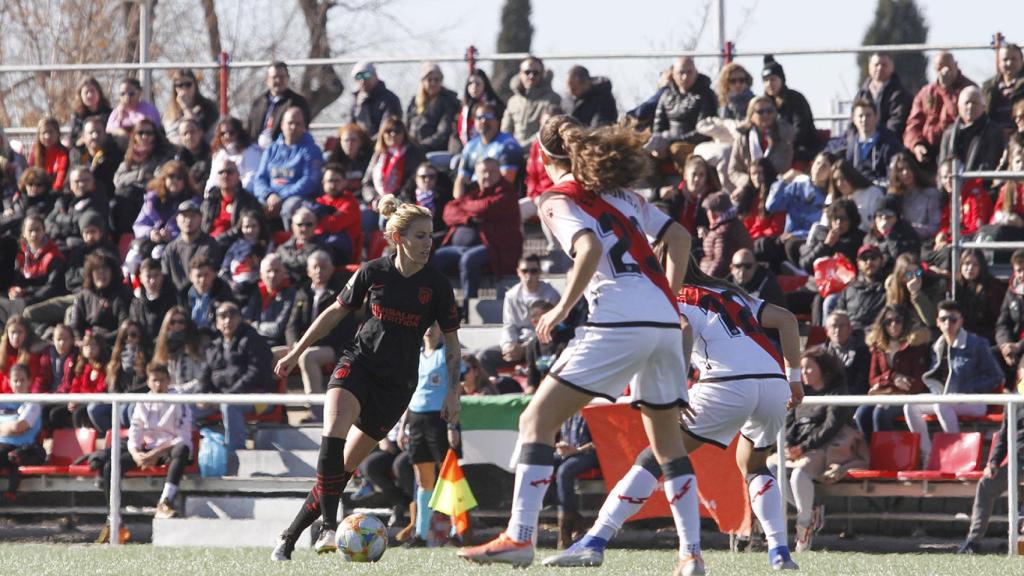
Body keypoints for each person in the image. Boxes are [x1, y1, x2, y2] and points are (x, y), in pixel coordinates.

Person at [457, 116, 701, 573]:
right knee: (668, 444)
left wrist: (561, 307)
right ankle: (690, 555)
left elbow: (587, 248)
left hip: (618, 320)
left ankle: (520, 537)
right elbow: (681, 237)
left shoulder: (556, 199)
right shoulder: (624, 196)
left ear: (544, 159)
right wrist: (669, 298)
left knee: (535, 419)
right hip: (666, 323)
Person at [542, 256, 803, 572]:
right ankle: (779, 553)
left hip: (726, 382)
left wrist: (677, 386)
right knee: (754, 464)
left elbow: (682, 328)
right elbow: (787, 320)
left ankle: (594, 541)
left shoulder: (671, 295)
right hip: (774, 385)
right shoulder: (731, 293)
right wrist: (795, 380)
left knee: (656, 458)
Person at [270, 196, 460, 560]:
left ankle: (289, 536)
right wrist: (296, 352)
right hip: (358, 365)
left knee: (342, 470)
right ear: (399, 238)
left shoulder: (436, 285)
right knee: (332, 435)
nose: (428, 243)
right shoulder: (373, 271)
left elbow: (452, 344)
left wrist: (454, 392)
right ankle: (328, 526)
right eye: (420, 236)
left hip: (398, 385)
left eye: (430, 236)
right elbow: (332, 314)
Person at [772, 347, 864, 552]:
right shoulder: (801, 393)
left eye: (808, 368)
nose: (804, 373)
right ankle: (811, 510)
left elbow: (830, 427)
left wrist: (804, 447)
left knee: (798, 475)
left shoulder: (837, 392)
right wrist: (787, 444)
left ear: (823, 369)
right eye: (801, 369)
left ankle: (803, 527)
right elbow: (790, 422)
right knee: (770, 468)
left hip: (825, 450)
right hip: (799, 449)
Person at [906, 300, 1004, 461]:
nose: (948, 323)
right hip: (945, 398)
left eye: (953, 319)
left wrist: (968, 388)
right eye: (943, 319)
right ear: (937, 322)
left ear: (961, 322)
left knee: (941, 404)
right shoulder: (936, 346)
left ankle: (958, 455)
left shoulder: (977, 343)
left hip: (975, 401)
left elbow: (996, 376)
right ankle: (927, 454)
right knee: (910, 405)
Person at [94, 362, 193, 522]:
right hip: (147, 451)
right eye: (155, 380)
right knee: (110, 466)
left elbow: (183, 437)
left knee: (182, 450)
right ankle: (113, 516)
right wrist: (136, 454)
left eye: (162, 380)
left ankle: (165, 501)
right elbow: (135, 430)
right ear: (148, 382)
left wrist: (157, 452)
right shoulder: (143, 401)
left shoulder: (179, 400)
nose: (159, 385)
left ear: (169, 380)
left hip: (168, 449)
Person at [394, 323, 461, 547]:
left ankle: (457, 530)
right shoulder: (416, 356)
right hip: (416, 419)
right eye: (426, 325)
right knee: (424, 479)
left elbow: (455, 390)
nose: (429, 329)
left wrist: (452, 426)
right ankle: (421, 534)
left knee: (447, 475)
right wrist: (403, 427)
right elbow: (408, 392)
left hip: (439, 418)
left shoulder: (446, 355)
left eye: (434, 325)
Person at [435, 157, 523, 307]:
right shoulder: (474, 191)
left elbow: (485, 207)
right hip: (460, 247)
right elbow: (448, 212)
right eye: (483, 172)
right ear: (476, 173)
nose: (487, 175)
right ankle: (444, 306)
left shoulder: (507, 191)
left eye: (492, 171)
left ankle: (468, 308)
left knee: (469, 259)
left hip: (494, 247)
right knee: (436, 258)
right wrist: (469, 219)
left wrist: (463, 204)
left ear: (500, 173)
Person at [286, 251, 356, 424]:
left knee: (308, 357)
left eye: (323, 267)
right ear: (308, 271)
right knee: (272, 355)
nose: (319, 271)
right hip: (303, 345)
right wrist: (294, 343)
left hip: (335, 347)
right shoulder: (303, 292)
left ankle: (316, 414)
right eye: (314, 267)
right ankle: (273, 410)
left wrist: (305, 344)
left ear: (332, 269)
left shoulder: (340, 292)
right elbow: (291, 325)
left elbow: (342, 329)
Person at [194, 300, 273, 451]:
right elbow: (204, 375)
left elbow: (255, 373)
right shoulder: (215, 345)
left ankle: (235, 452)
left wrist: (228, 396)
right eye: (223, 316)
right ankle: (192, 453)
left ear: (240, 319)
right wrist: (201, 396)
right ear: (217, 322)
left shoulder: (253, 340)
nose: (228, 320)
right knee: (187, 406)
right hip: (222, 398)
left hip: (259, 398)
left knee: (229, 405)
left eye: (233, 315)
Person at [957, 403, 1024, 554]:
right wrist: (993, 463)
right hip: (1017, 463)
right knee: (986, 485)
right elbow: (1004, 435)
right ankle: (973, 542)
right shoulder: (1015, 403)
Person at [856, 304, 930, 441]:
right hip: (884, 395)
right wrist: (893, 377)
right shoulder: (878, 346)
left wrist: (889, 384)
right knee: (861, 414)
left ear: (905, 322)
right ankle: (870, 451)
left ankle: (884, 453)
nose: (893, 325)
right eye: (888, 322)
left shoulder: (915, 346)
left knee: (880, 414)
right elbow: (872, 379)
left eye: (898, 321)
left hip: (907, 397)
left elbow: (918, 384)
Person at [254, 106, 323, 228]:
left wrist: (281, 197)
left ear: (304, 126)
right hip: (271, 197)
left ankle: (292, 244)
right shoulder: (271, 150)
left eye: (298, 123)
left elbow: (310, 182)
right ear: (282, 125)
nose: (293, 127)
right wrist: (269, 195)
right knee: (251, 211)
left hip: (297, 198)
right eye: (290, 123)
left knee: (289, 209)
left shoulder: (311, 151)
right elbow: (260, 178)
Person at [904, 51, 976, 168]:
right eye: (939, 69)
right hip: (928, 148)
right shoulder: (926, 92)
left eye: (947, 68)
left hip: (954, 147)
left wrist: (946, 90)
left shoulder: (968, 90)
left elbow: (957, 117)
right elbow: (913, 123)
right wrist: (916, 144)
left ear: (956, 65)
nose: (943, 72)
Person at [497, 255, 561, 367]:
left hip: (542, 346)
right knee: (484, 357)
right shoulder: (511, 295)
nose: (529, 275)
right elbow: (509, 325)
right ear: (518, 272)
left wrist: (526, 347)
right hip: (516, 345)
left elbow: (551, 329)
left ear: (540, 272)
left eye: (534, 271)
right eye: (524, 271)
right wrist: (508, 346)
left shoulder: (551, 295)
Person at [87, 319, 149, 433]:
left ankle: (133, 441)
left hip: (138, 397)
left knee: (126, 409)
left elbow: (148, 384)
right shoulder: (116, 357)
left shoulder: (148, 356)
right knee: (94, 408)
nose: (129, 339)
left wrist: (129, 395)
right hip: (119, 397)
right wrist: (117, 395)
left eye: (133, 335)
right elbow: (111, 384)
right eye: (125, 335)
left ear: (140, 336)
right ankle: (113, 438)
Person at [111, 119, 172, 236]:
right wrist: (141, 175)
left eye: (149, 133)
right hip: (129, 202)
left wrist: (133, 179)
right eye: (140, 133)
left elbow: (158, 177)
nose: (144, 136)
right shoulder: (129, 158)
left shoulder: (162, 156)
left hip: (152, 198)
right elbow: (118, 180)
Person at [1, 215, 65, 323]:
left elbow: (53, 287)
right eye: (30, 230)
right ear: (24, 234)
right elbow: (15, 279)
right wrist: (13, 290)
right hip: (21, 297)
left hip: (42, 298)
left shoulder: (53, 256)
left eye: (38, 229)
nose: (34, 234)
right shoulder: (21, 254)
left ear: (44, 231)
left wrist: (26, 292)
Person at [766, 151, 832, 252]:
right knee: (761, 245)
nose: (819, 168)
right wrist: (783, 180)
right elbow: (771, 206)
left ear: (830, 172)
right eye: (817, 163)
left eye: (824, 166)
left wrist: (797, 235)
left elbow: (822, 227)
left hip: (809, 242)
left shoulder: (829, 196)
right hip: (786, 239)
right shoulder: (798, 186)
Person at [454, 103, 522, 199]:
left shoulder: (508, 145)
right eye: (479, 117)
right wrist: (459, 203)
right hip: (473, 198)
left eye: (489, 116)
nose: (483, 120)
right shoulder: (470, 146)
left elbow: (507, 181)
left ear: (498, 120)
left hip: (497, 199)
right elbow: (461, 180)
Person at [0, 363, 47, 500]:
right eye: (15, 380)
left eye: (22, 380)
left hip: (22, 448)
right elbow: (14, 428)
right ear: (9, 381)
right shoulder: (3, 401)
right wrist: (10, 428)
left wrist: (8, 428)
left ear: (29, 381)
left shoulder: (33, 403)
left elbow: (19, 427)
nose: (19, 384)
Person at [728, 95, 794, 191]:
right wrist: (747, 182)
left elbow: (787, 165)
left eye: (769, 111)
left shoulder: (784, 134)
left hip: (779, 187)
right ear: (751, 115)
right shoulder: (742, 138)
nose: (766, 115)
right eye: (760, 112)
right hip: (751, 186)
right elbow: (733, 170)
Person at [552, 411, 598, 549]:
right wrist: (560, 446)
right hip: (569, 452)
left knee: (563, 472)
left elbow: (604, 440)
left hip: (591, 453)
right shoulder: (567, 405)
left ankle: (565, 531)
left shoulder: (595, 404)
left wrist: (577, 450)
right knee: (542, 464)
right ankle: (576, 519)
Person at [762, 55, 818, 163]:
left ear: (781, 79)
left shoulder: (796, 99)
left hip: (801, 148)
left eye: (773, 79)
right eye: (766, 80)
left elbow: (801, 130)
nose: (769, 84)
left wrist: (786, 147)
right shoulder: (764, 103)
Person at [938, 86, 1007, 175]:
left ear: (983, 106)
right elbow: (942, 165)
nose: (970, 106)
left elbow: (990, 164)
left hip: (980, 185)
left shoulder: (994, 132)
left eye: (974, 103)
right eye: (966, 103)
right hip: (951, 186)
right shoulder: (948, 133)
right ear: (959, 106)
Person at [361, 116, 426, 208]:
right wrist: (373, 198)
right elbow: (366, 183)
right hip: (377, 203)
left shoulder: (414, 153)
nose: (393, 134)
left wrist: (392, 200)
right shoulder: (378, 154)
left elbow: (413, 183)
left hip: (403, 203)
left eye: (397, 131)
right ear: (382, 134)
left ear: (404, 134)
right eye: (388, 131)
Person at [49, 330, 109, 429]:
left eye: (93, 345)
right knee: (55, 413)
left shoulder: (105, 367)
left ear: (100, 347)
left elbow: (100, 390)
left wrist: (81, 400)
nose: (89, 348)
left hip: (94, 402)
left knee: (78, 414)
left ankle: (82, 443)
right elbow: (75, 385)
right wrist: (73, 399)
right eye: (86, 346)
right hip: (80, 400)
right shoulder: (82, 366)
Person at [69, 252, 131, 345]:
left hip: (116, 344)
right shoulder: (83, 296)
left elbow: (125, 327)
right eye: (97, 270)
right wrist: (82, 342)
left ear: (112, 273)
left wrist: (98, 341)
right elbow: (75, 326)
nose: (102, 274)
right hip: (88, 345)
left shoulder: (123, 294)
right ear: (91, 274)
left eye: (105, 270)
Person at [161, 199, 223, 293]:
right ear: (177, 219)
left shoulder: (210, 245)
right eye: (184, 216)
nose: (188, 220)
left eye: (193, 216)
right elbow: (165, 277)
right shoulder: (171, 249)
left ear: (200, 218)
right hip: (177, 300)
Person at [246, 62, 312, 148]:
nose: (278, 80)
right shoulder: (258, 102)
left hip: (283, 150)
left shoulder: (297, 102)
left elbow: (302, 129)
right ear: (267, 79)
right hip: (257, 150)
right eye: (274, 77)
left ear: (287, 78)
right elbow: (250, 128)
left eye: (282, 77)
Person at [841, 99, 902, 185]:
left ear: (876, 118)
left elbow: (892, 175)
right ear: (854, 120)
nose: (864, 119)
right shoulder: (851, 146)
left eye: (868, 115)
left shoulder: (889, 144)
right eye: (860, 116)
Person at [501, 56, 561, 145]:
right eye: (527, 72)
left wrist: (524, 147)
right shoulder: (513, 101)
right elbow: (505, 130)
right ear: (520, 74)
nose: (531, 76)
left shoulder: (553, 99)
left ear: (542, 74)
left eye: (536, 73)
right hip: (513, 151)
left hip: (539, 152)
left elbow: (547, 131)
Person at [46, 168, 110, 250]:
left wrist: (59, 224)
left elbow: (80, 225)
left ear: (93, 182)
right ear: (70, 184)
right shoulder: (62, 201)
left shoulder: (99, 202)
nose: (81, 184)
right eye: (77, 181)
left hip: (83, 248)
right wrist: (55, 231)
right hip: (58, 242)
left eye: (86, 180)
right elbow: (48, 221)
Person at [200, 158, 261, 244]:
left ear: (238, 176)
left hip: (232, 245)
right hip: (207, 245)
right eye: (221, 172)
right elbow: (202, 226)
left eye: (229, 172)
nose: (225, 175)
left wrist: (216, 241)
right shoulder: (209, 200)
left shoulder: (248, 201)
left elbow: (240, 229)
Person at [853, 52, 913, 139]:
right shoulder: (861, 94)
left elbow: (896, 124)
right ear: (869, 67)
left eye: (884, 65)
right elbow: (852, 123)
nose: (880, 68)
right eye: (876, 64)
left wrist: (877, 140)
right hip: (861, 143)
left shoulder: (899, 94)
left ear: (892, 67)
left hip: (889, 145)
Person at [833, 244, 888, 338]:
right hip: (851, 338)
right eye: (864, 258)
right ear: (858, 263)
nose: (869, 262)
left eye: (873, 257)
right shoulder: (849, 289)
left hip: (877, 337)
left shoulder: (888, 287)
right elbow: (838, 316)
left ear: (881, 261)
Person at [241, 253, 295, 347]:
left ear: (284, 273)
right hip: (252, 343)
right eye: (268, 271)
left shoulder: (290, 294)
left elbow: (277, 329)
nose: (272, 275)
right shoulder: (256, 292)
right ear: (261, 274)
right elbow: (245, 323)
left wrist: (255, 325)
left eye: (276, 271)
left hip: (275, 345)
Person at [798, 198, 865, 274]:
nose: (838, 222)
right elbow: (805, 264)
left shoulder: (861, 238)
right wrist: (826, 245)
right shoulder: (822, 234)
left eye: (843, 218)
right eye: (835, 218)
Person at [313, 163, 363, 265]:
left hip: (343, 251)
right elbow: (312, 223)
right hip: (321, 245)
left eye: (337, 181)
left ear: (345, 182)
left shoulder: (351, 202)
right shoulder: (318, 201)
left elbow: (334, 224)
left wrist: (318, 220)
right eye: (330, 181)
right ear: (323, 182)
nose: (333, 185)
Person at [405, 62, 459, 154]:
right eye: (429, 79)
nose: (433, 83)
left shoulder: (448, 101)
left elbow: (443, 133)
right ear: (423, 81)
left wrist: (422, 146)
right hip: (414, 149)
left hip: (436, 151)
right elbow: (407, 127)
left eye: (437, 80)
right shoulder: (415, 102)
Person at [955, 248, 1005, 345]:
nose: (970, 268)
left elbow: (998, 321)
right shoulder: (957, 286)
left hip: (986, 338)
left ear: (981, 267)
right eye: (966, 263)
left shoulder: (992, 288)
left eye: (975, 265)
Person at [151, 307, 207, 394]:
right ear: (167, 325)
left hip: (192, 396)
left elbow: (200, 377)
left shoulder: (196, 346)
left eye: (181, 322)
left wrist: (179, 391)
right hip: (167, 396)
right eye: (172, 322)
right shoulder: (161, 348)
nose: (176, 325)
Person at [887, 151, 941, 241]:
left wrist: (911, 229)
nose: (905, 173)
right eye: (900, 170)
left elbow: (935, 226)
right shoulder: (894, 197)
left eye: (908, 168)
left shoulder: (930, 194)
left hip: (926, 241)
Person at [884, 252, 946, 329]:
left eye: (918, 273)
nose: (915, 278)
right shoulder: (893, 289)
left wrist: (916, 293)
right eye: (909, 274)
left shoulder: (933, 285)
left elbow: (932, 320)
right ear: (901, 276)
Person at [176, 254, 234, 335]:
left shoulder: (223, 294)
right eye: (198, 276)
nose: (202, 280)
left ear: (214, 275)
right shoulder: (182, 297)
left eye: (206, 275)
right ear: (191, 277)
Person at [699, 191, 752, 279]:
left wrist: (706, 282)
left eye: (707, 211)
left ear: (713, 213)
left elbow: (721, 261)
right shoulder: (728, 225)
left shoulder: (724, 232)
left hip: (718, 281)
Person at [346, 61, 403, 141]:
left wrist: (369, 145)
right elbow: (350, 127)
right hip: (359, 147)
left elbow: (388, 129)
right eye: (358, 77)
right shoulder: (355, 101)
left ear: (375, 76)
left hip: (382, 147)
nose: (362, 80)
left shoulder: (389, 99)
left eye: (366, 75)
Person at [67, 116, 123, 197]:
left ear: (105, 134)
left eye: (98, 132)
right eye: (91, 132)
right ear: (83, 136)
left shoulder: (116, 155)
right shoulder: (76, 154)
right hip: (78, 200)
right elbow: (68, 183)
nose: (95, 136)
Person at [825, 158, 883, 233]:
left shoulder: (872, 192)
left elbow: (876, 223)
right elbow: (825, 224)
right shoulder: (832, 197)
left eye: (843, 178)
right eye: (836, 180)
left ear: (851, 176)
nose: (839, 184)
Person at [205, 117, 263, 192]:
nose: (227, 136)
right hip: (222, 197)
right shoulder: (218, 155)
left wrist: (234, 193)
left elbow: (252, 177)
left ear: (239, 133)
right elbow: (213, 180)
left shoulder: (251, 151)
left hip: (244, 196)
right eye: (223, 134)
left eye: (231, 133)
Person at [163, 69, 219, 145]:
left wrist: (186, 108)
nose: (184, 89)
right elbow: (169, 135)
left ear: (195, 85)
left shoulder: (208, 107)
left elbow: (198, 134)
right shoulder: (169, 112)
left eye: (188, 84)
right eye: (179, 85)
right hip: (175, 152)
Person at [821, 310, 870, 395]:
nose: (837, 330)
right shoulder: (820, 354)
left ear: (850, 329)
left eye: (842, 326)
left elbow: (862, 383)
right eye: (834, 326)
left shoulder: (863, 352)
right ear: (827, 331)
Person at [867, 195, 920, 274]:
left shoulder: (908, 233)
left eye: (889, 216)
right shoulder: (870, 236)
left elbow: (900, 259)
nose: (884, 220)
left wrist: (889, 235)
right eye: (880, 216)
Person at [130, 258, 178, 341]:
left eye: (156, 275)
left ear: (162, 276)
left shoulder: (173, 299)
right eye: (148, 276)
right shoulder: (136, 304)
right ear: (141, 278)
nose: (152, 281)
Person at [0, 315, 50, 394]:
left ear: (27, 334)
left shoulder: (35, 354)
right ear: (7, 334)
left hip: (27, 398)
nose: (16, 336)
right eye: (12, 332)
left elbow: (38, 381)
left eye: (20, 332)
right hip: (5, 399)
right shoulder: (3, 353)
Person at [276, 207, 325, 285]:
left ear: (316, 225)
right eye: (300, 224)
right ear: (292, 226)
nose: (304, 228)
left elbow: (301, 266)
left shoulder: (323, 248)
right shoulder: (283, 247)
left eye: (309, 224)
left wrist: (283, 256)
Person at [981, 43, 1024, 130]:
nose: (1009, 63)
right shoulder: (989, 87)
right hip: (994, 137)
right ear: (999, 62)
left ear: (1021, 60)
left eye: (1013, 59)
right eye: (1005, 59)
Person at [458, 69, 506, 147]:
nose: (474, 87)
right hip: (467, 147)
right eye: (470, 83)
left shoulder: (494, 106)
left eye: (477, 84)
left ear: (484, 85)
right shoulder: (464, 108)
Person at [996, 250, 1024, 381]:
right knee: (984, 356)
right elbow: (1003, 324)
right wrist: (1005, 345)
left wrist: (1019, 346)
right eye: (1019, 270)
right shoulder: (1011, 292)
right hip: (1014, 345)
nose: (1022, 275)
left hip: (1021, 346)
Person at [105, 77, 162, 142]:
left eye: (131, 94)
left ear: (140, 92)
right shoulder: (116, 111)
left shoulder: (149, 109)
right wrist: (119, 120)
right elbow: (109, 131)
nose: (126, 97)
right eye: (122, 94)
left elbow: (152, 130)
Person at [67, 77, 113, 149]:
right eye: (86, 92)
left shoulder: (110, 113)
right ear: (80, 96)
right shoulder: (77, 116)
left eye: (92, 91)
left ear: (99, 93)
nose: (89, 95)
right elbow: (73, 140)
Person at [28, 117, 69, 192]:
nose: (47, 136)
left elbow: (61, 174)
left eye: (51, 132)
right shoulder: (35, 151)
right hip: (38, 189)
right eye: (44, 133)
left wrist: (54, 190)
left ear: (58, 133)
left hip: (57, 190)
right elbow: (30, 173)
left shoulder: (64, 152)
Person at [172, 119, 212, 187]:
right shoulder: (178, 159)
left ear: (200, 132)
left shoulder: (212, 153)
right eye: (184, 134)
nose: (189, 136)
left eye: (192, 132)